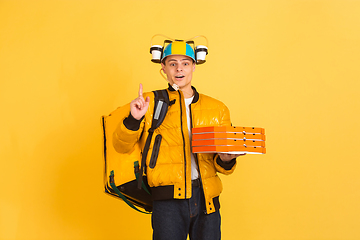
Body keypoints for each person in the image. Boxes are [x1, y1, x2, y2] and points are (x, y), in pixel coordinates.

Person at [112, 40, 245, 240]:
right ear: (163, 68)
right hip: (168, 202)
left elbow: (222, 164)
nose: (179, 68)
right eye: (172, 63)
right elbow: (120, 145)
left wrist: (227, 159)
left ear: (193, 66)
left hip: (207, 198)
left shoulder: (218, 109)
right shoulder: (150, 103)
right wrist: (134, 118)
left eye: (185, 63)